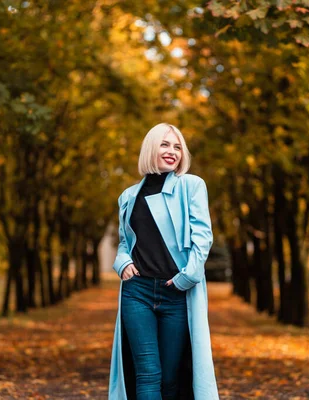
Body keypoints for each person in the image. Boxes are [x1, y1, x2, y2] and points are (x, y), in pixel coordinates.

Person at [108, 123, 219, 400]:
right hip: (138, 292)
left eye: (178, 146)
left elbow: (202, 237)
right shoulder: (128, 196)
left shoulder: (191, 186)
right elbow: (125, 242)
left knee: (172, 378)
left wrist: (187, 277)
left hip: (176, 293)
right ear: (150, 148)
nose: (172, 151)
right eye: (165, 144)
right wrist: (122, 263)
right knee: (147, 373)